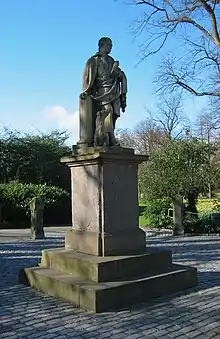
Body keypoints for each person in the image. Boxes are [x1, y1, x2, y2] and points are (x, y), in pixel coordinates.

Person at [78, 37, 127, 147]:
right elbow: (87, 78)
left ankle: (109, 137)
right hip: (101, 91)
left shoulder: (111, 60)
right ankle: (105, 137)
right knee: (107, 110)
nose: (111, 47)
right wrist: (86, 91)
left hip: (113, 90)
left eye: (111, 45)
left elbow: (119, 75)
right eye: (109, 44)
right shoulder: (93, 60)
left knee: (114, 114)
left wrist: (118, 75)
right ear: (101, 45)